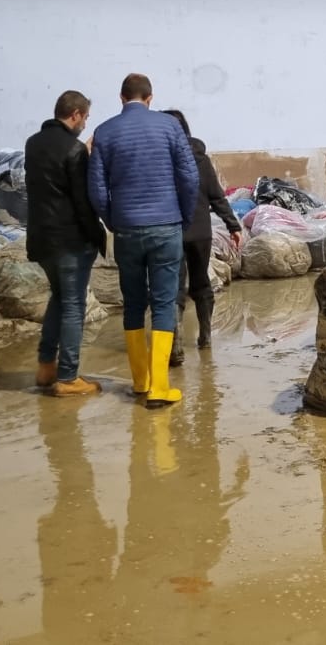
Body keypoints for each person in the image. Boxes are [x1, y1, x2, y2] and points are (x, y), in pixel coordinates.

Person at [88, 74, 199, 408]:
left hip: (126, 229)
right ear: (150, 98)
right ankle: (160, 387)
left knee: (133, 303)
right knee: (164, 302)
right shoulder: (170, 127)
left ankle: (140, 382)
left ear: (122, 98)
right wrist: (183, 215)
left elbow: (97, 189)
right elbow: (189, 176)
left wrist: (113, 220)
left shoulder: (104, 132)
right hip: (166, 225)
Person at [25, 90, 106, 397]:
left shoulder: (33, 143)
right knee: (73, 305)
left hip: (41, 238)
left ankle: (46, 366)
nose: (85, 124)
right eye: (85, 118)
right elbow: (82, 202)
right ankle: (68, 377)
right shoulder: (74, 150)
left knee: (58, 298)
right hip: (70, 240)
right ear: (75, 115)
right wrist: (97, 234)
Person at [162, 109, 241, 364]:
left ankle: (175, 345)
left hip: (171, 231)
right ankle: (205, 338)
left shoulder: (159, 159)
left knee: (173, 287)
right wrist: (233, 225)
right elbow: (216, 196)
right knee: (201, 284)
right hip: (200, 232)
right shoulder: (200, 159)